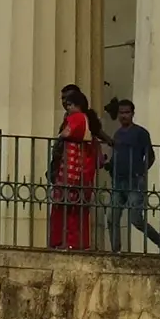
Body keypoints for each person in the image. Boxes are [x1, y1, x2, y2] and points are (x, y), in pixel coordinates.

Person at [103, 98, 160, 254]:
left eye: (127, 112)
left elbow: (150, 156)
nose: (123, 116)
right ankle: (116, 251)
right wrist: (109, 164)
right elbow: (117, 155)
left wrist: (140, 172)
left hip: (134, 181)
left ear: (132, 113)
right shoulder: (118, 133)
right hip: (118, 181)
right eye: (121, 113)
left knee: (136, 220)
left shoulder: (141, 133)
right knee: (111, 217)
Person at [47, 85, 103, 250]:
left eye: (68, 103)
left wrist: (61, 135)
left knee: (67, 207)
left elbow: (66, 133)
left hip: (72, 169)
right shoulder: (84, 118)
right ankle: (74, 242)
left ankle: (66, 241)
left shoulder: (77, 117)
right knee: (75, 209)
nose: (66, 106)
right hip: (78, 168)